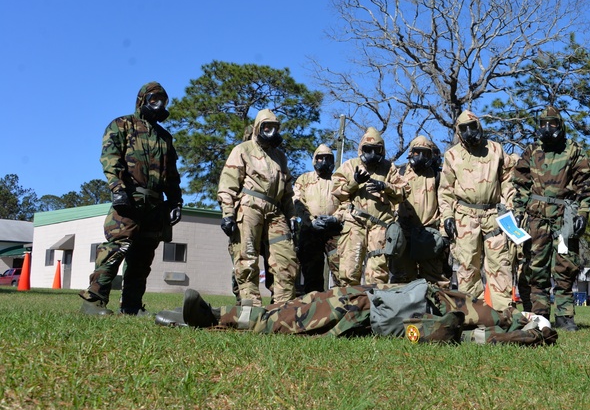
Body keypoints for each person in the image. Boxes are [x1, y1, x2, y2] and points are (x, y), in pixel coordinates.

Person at [153, 280, 558, 346]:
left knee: (289, 316)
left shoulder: (469, 313)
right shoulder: (460, 306)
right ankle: (215, 315)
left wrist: (527, 325)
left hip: (362, 308)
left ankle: (210, 318)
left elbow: (490, 324)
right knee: (293, 308)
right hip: (365, 299)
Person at [80, 82, 183, 316]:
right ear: (142, 100)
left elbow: (172, 174)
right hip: (128, 199)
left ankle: (132, 306)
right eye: (154, 99)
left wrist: (176, 201)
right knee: (116, 248)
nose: (158, 105)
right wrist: (117, 188)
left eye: (163, 101)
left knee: (143, 256)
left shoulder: (165, 138)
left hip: (155, 205)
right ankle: (92, 301)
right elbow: (110, 158)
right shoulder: (121, 125)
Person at [513, 106, 590, 331]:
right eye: (543, 124)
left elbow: (585, 184)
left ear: (561, 125)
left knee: (565, 265)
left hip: (564, 218)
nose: (547, 128)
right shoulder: (531, 151)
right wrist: (518, 210)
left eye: (553, 124)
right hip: (537, 217)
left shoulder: (572, 150)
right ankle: (539, 315)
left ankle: (564, 315)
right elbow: (520, 183)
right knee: (536, 266)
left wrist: (583, 212)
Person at [218, 109, 299, 306]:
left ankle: (282, 308)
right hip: (250, 206)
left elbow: (288, 192)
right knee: (247, 257)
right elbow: (228, 184)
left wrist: (292, 217)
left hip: (275, 210)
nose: (271, 131)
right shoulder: (243, 150)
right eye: (266, 127)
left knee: (286, 258)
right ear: (257, 128)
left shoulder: (280, 157)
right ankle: (250, 307)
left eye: (274, 128)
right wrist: (228, 214)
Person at [439, 110, 517, 310]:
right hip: (465, 216)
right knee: (467, 266)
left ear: (479, 127)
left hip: (493, 214)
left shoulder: (496, 149)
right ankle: (472, 312)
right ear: (458, 132)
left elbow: (507, 180)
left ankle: (503, 312)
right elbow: (445, 191)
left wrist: (508, 206)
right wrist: (447, 216)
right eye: (463, 129)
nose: (469, 132)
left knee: (500, 263)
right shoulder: (452, 155)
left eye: (472, 127)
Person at [330, 128, 407, 286]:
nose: (372, 154)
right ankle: (350, 307)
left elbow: (404, 192)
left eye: (376, 150)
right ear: (361, 149)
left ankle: (375, 307)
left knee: (377, 274)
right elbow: (337, 193)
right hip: (355, 223)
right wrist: (354, 182)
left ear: (382, 150)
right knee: (349, 271)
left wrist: (384, 186)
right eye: (368, 149)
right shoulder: (349, 166)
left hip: (380, 226)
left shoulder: (389, 168)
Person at [396, 136, 450, 288]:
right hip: (404, 234)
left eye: (425, 153)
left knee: (436, 283)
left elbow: (445, 204)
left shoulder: (437, 175)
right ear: (410, 153)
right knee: (402, 281)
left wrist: (444, 235)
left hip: (429, 236)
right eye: (416, 153)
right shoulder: (399, 173)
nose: (420, 157)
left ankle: (438, 312)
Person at [293, 144, 344, 293]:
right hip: (310, 231)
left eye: (327, 158)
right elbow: (297, 202)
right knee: (311, 273)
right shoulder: (304, 179)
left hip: (334, 232)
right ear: (314, 160)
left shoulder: (338, 180)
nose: (323, 161)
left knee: (342, 272)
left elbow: (347, 203)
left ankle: (341, 306)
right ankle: (314, 309)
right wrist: (311, 221)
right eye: (320, 158)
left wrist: (335, 218)